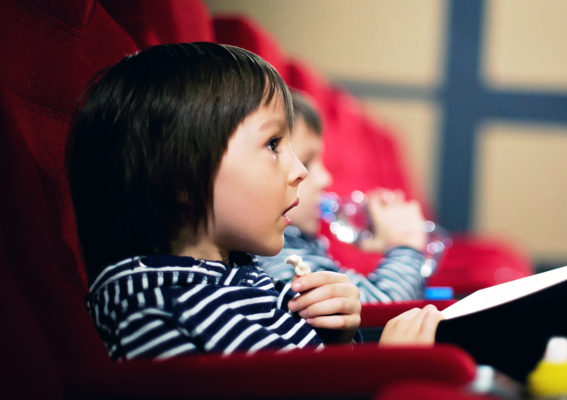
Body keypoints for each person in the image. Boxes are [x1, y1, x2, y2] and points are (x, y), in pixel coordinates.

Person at [68, 42, 442, 360]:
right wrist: (387, 365)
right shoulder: (155, 305)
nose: (301, 172)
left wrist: (338, 333)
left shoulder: (235, 273)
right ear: (181, 180)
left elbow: (299, 364)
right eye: (273, 144)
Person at [256, 92, 432, 303]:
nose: (325, 179)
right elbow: (374, 310)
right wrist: (406, 243)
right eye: (307, 162)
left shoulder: (299, 245)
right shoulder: (280, 257)